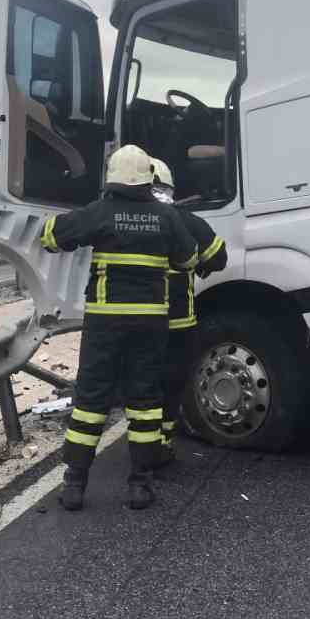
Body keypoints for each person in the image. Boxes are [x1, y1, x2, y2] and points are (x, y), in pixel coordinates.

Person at [39, 144, 197, 512]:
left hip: (105, 322)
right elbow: (188, 258)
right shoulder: (167, 217)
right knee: (145, 401)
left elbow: (50, 237)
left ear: (111, 177)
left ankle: (75, 484)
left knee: (91, 400)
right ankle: (140, 484)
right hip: (151, 322)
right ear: (149, 178)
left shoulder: (100, 212)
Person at [150, 157, 227, 461]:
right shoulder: (184, 219)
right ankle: (163, 443)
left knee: (141, 383)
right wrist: (201, 264)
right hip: (177, 321)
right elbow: (219, 257)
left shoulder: (119, 216)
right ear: (169, 186)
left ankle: (140, 444)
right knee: (171, 383)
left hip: (132, 320)